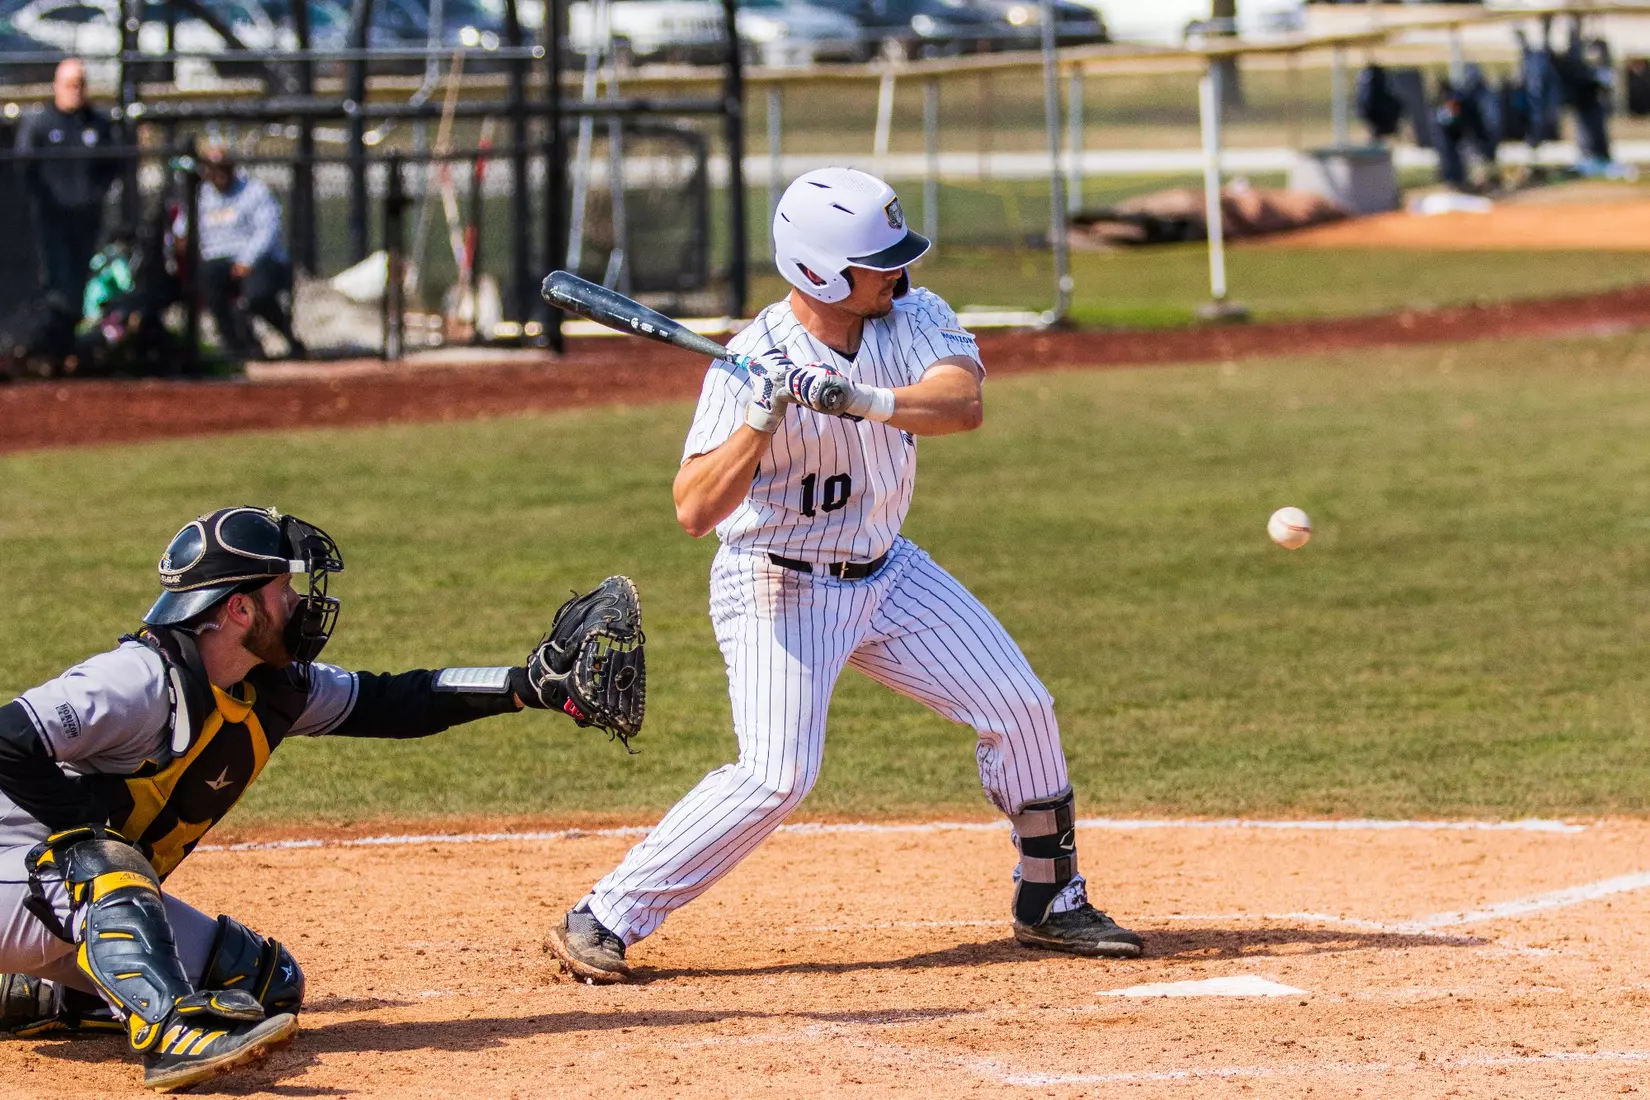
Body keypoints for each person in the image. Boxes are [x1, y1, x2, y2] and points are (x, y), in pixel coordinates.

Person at [546, 167, 1143, 985]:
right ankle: (606, 913)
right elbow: (693, 509)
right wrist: (761, 418)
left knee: (1021, 707)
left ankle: (1051, 899)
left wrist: (861, 398)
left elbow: (960, 403)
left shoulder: (916, 313)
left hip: (891, 572)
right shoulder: (749, 363)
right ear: (825, 272)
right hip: (779, 584)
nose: (899, 270)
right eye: (880, 259)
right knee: (778, 775)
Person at [0, 506, 643, 1090]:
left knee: (264, 985)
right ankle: (170, 1035)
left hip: (67, 912)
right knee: (101, 859)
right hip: (17, 892)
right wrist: (87, 827)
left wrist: (524, 685)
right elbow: (7, 737)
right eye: (284, 589)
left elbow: (395, 699)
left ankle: (35, 997)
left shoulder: (275, 689)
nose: (301, 603)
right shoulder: (138, 680)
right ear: (240, 610)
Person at [178, 142, 306, 359]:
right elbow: (183, 229)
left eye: (224, 168)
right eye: (213, 168)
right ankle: (239, 347)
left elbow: (268, 230)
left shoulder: (254, 191)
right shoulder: (200, 195)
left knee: (257, 297)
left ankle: (290, 338)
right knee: (208, 281)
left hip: (259, 260)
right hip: (216, 260)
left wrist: (247, 260)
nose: (219, 174)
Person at [14, 58, 121, 312]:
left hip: (88, 217)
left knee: (83, 277)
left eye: (80, 84)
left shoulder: (97, 124)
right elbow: (24, 167)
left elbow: (114, 164)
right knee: (58, 280)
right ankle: (57, 340)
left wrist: (96, 195)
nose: (75, 90)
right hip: (51, 218)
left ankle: (76, 339)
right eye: (70, 84)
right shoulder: (40, 124)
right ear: (56, 86)